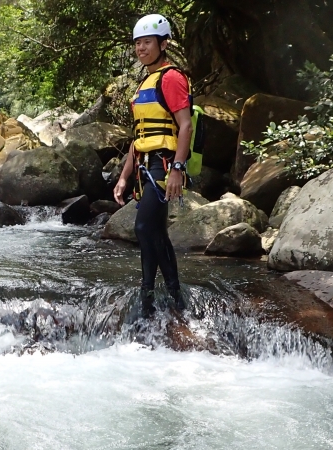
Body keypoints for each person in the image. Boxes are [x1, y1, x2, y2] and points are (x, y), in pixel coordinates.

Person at [113, 13, 192, 318]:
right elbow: (139, 137)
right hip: (146, 166)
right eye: (138, 43)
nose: (141, 48)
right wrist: (124, 178)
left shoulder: (171, 78)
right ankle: (160, 297)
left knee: (145, 227)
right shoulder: (145, 81)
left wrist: (178, 169)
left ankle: (162, 294)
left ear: (163, 43)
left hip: (164, 165)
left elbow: (184, 126)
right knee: (155, 230)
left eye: (147, 42)